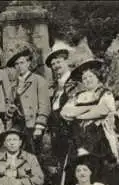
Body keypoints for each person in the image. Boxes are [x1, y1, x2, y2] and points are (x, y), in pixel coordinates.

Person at [60, 59, 119, 165]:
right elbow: (65, 112)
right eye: (84, 78)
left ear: (97, 78)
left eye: (90, 76)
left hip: (99, 136)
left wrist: (77, 115)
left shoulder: (105, 93)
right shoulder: (78, 96)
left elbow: (102, 111)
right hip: (78, 136)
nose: (87, 80)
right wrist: (91, 107)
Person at [36, 40, 77, 174]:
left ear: (66, 62)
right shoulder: (54, 86)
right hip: (57, 134)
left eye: (58, 62)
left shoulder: (76, 81)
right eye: (53, 64)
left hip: (72, 132)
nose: (56, 66)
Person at [5, 48, 49, 154]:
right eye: (16, 64)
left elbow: (44, 104)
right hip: (19, 123)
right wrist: (10, 110)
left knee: (35, 153)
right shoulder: (13, 86)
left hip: (33, 123)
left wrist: (39, 125)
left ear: (28, 63)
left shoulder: (38, 80)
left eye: (22, 62)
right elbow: (8, 104)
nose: (20, 66)